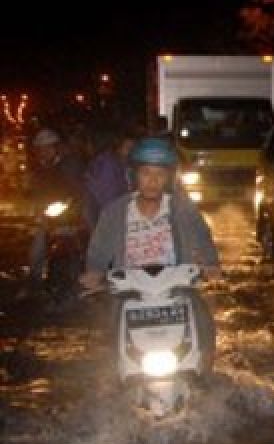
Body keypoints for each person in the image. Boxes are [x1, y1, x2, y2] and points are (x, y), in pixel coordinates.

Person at [80, 137, 220, 372]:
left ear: (169, 178)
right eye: (146, 173)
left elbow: (203, 238)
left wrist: (211, 265)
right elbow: (99, 248)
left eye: (160, 175)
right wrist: (94, 272)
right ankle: (115, 383)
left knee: (204, 324)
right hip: (130, 292)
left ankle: (203, 377)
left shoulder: (183, 209)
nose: (152, 181)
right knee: (110, 334)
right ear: (134, 175)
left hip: (176, 288)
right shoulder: (115, 211)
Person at [21, 128, 87, 298]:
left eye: (48, 147)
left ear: (56, 148)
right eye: (41, 148)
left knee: (78, 243)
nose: (45, 151)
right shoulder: (38, 170)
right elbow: (34, 192)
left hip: (67, 214)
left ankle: (81, 280)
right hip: (47, 215)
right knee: (37, 250)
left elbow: (77, 189)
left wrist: (73, 204)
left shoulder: (68, 166)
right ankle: (33, 283)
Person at [83, 127, 135, 228]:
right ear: (118, 147)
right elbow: (109, 199)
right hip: (102, 217)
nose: (131, 152)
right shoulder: (108, 165)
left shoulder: (123, 163)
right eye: (128, 148)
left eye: (133, 148)